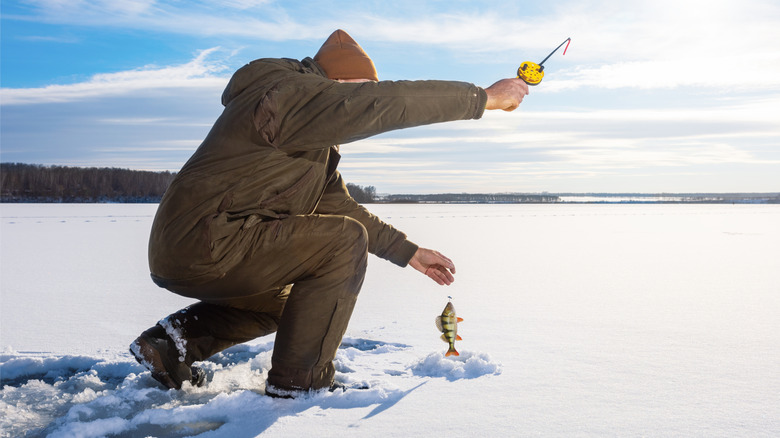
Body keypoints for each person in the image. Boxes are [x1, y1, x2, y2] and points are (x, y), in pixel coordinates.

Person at [130, 29, 529, 398]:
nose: (357, 104)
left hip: (192, 247)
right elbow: (385, 104)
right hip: (210, 241)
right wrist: (485, 98)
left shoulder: (307, 140)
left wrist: (410, 252)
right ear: (336, 83)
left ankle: (172, 343)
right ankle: (299, 384)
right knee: (343, 239)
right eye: (358, 91)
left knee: (294, 307)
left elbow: (340, 205)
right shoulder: (287, 96)